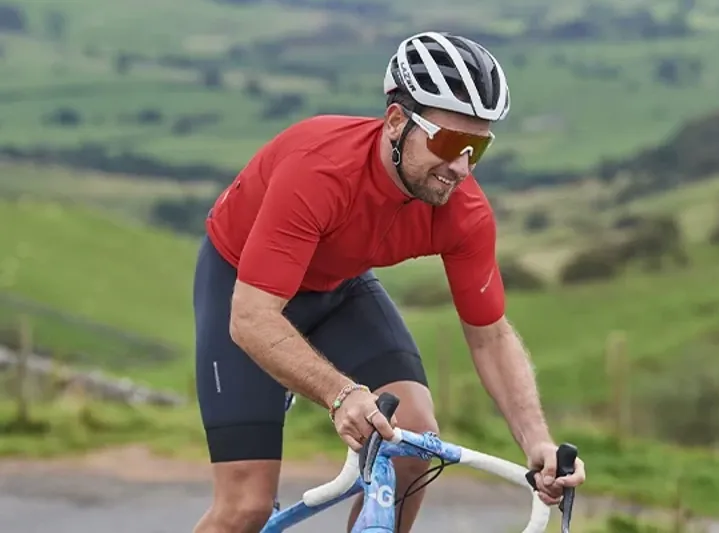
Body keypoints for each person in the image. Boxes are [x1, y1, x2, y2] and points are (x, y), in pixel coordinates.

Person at [192, 30, 586, 533]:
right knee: (244, 508)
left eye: (477, 148)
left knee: (412, 440)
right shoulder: (320, 172)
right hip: (245, 286)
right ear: (396, 121)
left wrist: (538, 444)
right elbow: (250, 319)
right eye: (447, 142)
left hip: (339, 285)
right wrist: (339, 393)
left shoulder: (463, 212)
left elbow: (490, 335)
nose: (460, 167)